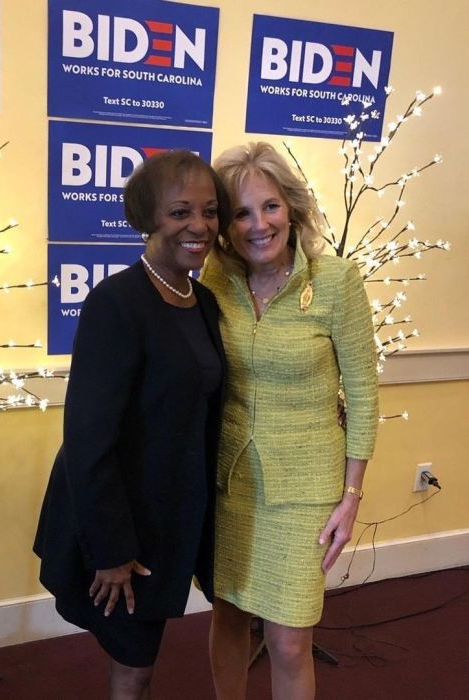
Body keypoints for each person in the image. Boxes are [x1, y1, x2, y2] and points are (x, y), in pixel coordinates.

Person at [34, 150, 232, 699]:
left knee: (143, 653)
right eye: (180, 212)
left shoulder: (205, 302)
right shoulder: (115, 303)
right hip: (123, 526)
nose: (200, 226)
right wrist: (111, 550)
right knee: (134, 664)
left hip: (173, 515)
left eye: (211, 211)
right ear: (147, 218)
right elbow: (88, 439)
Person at [200, 142, 378, 700]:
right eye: (241, 213)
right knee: (227, 619)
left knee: (287, 641)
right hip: (228, 484)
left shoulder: (336, 281)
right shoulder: (214, 278)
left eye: (270, 206)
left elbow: (365, 393)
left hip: (306, 492)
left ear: (292, 208)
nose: (259, 225)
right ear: (225, 225)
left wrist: (352, 495)